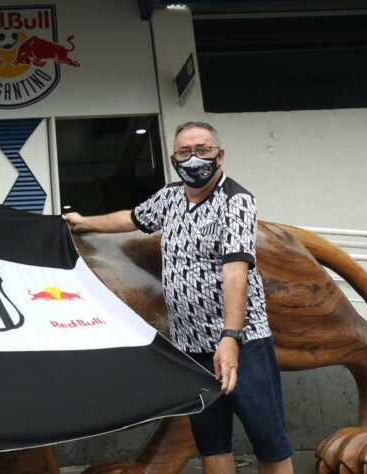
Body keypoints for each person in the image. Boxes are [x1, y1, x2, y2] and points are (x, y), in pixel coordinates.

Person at [64, 122, 293, 474]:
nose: (194, 159)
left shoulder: (236, 201)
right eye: (185, 152)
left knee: (268, 441)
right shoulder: (170, 197)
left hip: (243, 345)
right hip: (191, 347)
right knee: (211, 441)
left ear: (219, 154)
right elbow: (131, 218)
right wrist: (84, 223)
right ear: (173, 158)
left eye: (202, 149)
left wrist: (230, 337)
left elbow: (236, 270)